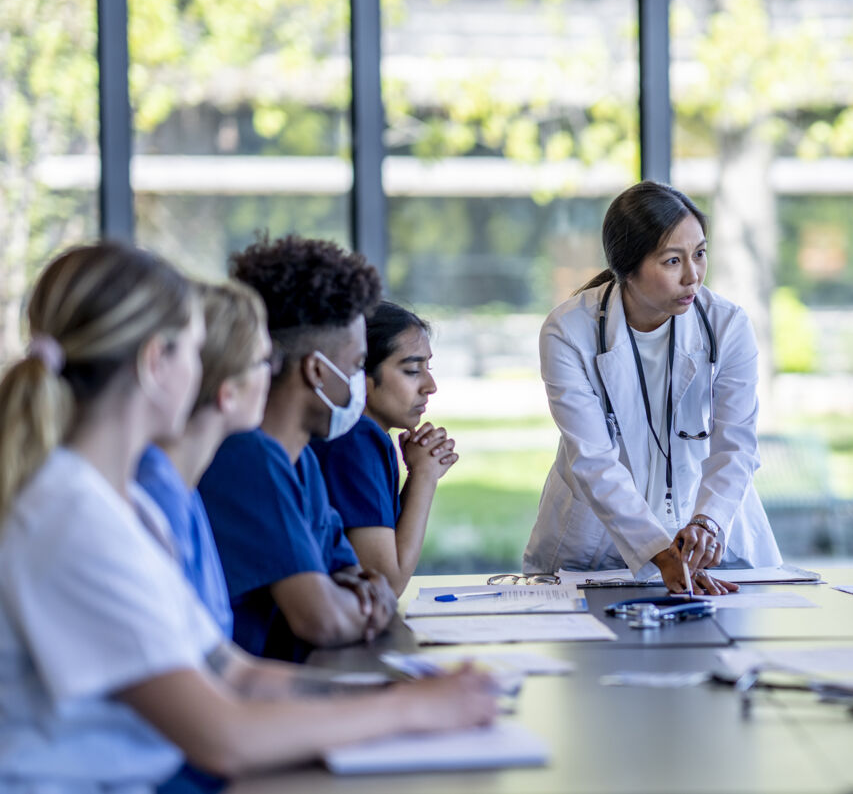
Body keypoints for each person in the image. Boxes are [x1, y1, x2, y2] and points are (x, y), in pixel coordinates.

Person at [0, 244, 496, 791]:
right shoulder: (73, 520)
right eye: (196, 350)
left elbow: (233, 673)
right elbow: (222, 735)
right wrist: (408, 713)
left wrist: (405, 697)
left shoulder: (126, 508)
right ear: (156, 364)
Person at [523, 181, 782, 595]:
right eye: (672, 261)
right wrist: (658, 553)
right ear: (628, 266)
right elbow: (592, 459)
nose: (693, 275)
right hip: (597, 546)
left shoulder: (727, 326)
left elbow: (735, 445)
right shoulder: (568, 330)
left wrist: (707, 522)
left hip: (713, 542)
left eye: (699, 254)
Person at [199, 233, 397, 661]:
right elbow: (321, 619)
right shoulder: (248, 457)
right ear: (316, 370)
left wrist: (362, 593)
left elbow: (357, 575)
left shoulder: (301, 459)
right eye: (357, 365)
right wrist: (367, 610)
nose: (362, 383)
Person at [136, 280, 272, 639]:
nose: (272, 374)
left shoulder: (180, 485)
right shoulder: (155, 497)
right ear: (228, 391)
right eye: (264, 361)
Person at [313, 301, 457, 596]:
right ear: (358, 374)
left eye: (427, 367)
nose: (430, 385)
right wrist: (425, 476)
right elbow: (386, 584)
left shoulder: (369, 437)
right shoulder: (356, 439)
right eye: (412, 370)